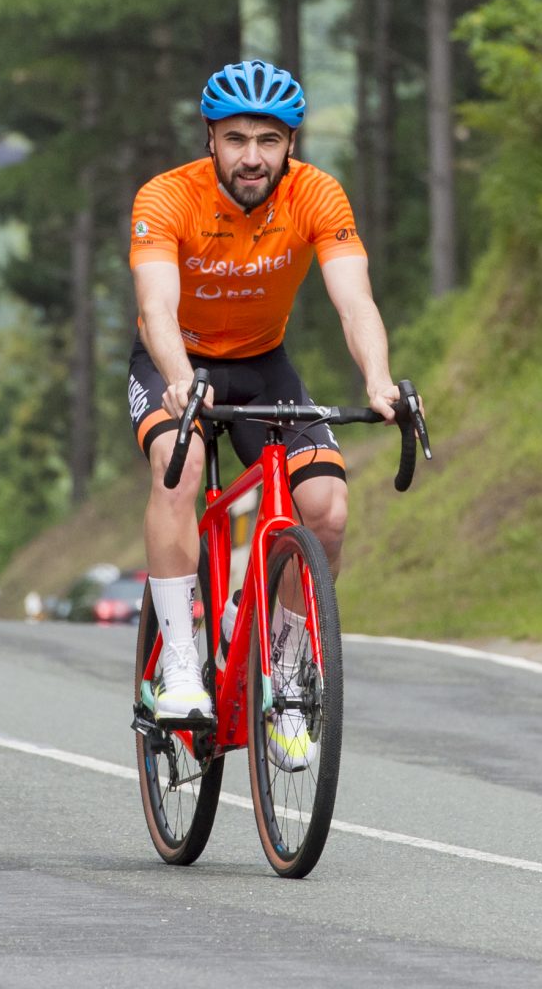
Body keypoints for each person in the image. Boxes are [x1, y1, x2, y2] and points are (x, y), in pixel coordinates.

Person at [128, 58, 397, 771]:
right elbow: (156, 307)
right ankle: (179, 663)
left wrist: (378, 380)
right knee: (179, 466)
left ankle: (287, 668)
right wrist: (180, 382)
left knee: (326, 507)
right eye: (237, 139)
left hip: (262, 364)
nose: (253, 157)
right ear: (210, 137)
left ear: (291, 145)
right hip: (174, 361)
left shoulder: (317, 195)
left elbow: (354, 301)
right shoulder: (167, 196)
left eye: (269, 141)